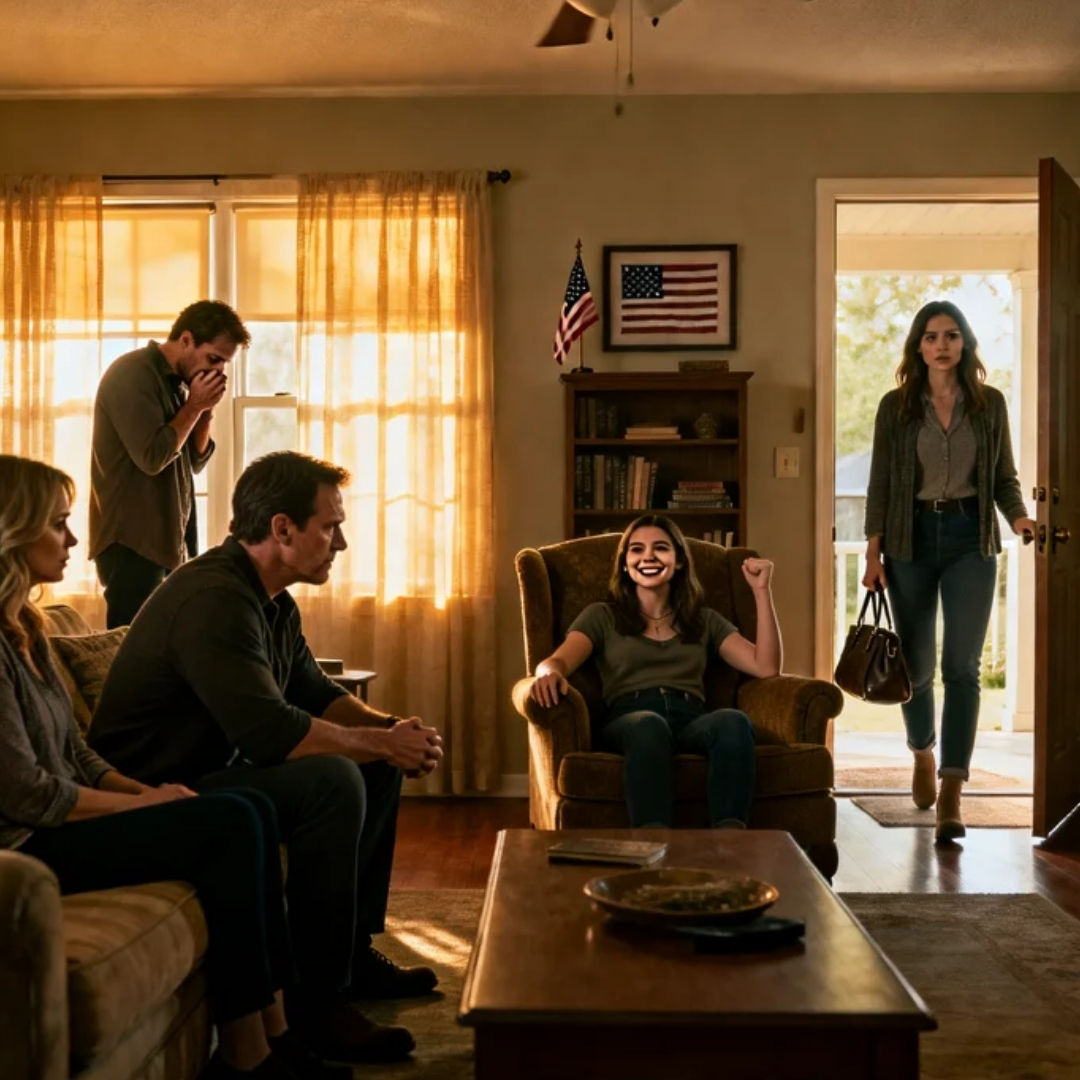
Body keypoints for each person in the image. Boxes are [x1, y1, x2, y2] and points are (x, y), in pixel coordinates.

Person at [0, 454, 360, 1080]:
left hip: (64, 818)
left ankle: (278, 1034)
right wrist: (140, 805)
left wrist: (143, 790)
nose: (75, 539)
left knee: (246, 809)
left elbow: (77, 753)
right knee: (230, 824)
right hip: (28, 845)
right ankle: (247, 1059)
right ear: (11, 531)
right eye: (58, 524)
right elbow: (28, 793)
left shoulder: (25, 628)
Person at [88, 451, 444, 1065]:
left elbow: (316, 694)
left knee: (373, 763)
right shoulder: (214, 598)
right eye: (330, 527)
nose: (341, 543)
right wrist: (383, 743)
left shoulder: (273, 600)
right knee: (333, 778)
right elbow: (271, 733)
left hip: (214, 770)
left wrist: (392, 731)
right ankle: (317, 1003)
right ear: (282, 529)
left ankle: (350, 955)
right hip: (157, 792)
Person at [862, 300, 1036, 842]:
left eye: (952, 336)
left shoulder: (989, 404)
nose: (943, 345)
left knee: (962, 667)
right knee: (916, 667)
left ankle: (953, 789)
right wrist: (873, 553)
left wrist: (1019, 517)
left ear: (965, 344)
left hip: (969, 539)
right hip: (909, 539)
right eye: (933, 336)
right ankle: (922, 751)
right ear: (918, 346)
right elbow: (880, 483)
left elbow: (1004, 476)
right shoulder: (896, 407)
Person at [529, 515, 781, 829]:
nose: (647, 556)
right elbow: (556, 662)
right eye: (637, 550)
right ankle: (653, 839)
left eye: (660, 548)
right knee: (650, 725)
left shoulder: (703, 620)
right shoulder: (602, 616)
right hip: (631, 719)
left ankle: (729, 838)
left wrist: (761, 591)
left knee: (733, 721)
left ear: (678, 561)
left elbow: (765, 666)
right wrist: (547, 673)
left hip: (690, 718)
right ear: (625, 564)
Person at [90, 300, 251, 629]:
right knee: (131, 644)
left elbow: (194, 460)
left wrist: (204, 411)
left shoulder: (178, 384)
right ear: (187, 340)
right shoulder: (132, 374)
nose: (218, 372)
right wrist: (193, 407)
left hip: (169, 540)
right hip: (132, 542)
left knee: (167, 646)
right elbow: (153, 457)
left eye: (224, 364)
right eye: (214, 359)